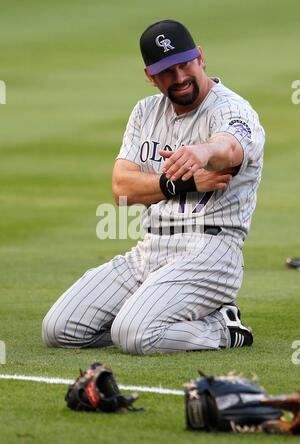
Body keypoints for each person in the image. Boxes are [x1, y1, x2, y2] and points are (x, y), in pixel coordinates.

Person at [42, 19, 265, 354]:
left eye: (185, 64)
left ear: (200, 57)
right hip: (149, 250)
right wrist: (179, 183)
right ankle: (148, 315)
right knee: (59, 330)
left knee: (134, 336)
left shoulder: (232, 109)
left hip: (211, 252)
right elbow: (121, 189)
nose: (179, 78)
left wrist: (202, 152)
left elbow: (230, 148)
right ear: (150, 76)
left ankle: (222, 327)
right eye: (166, 71)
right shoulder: (145, 111)